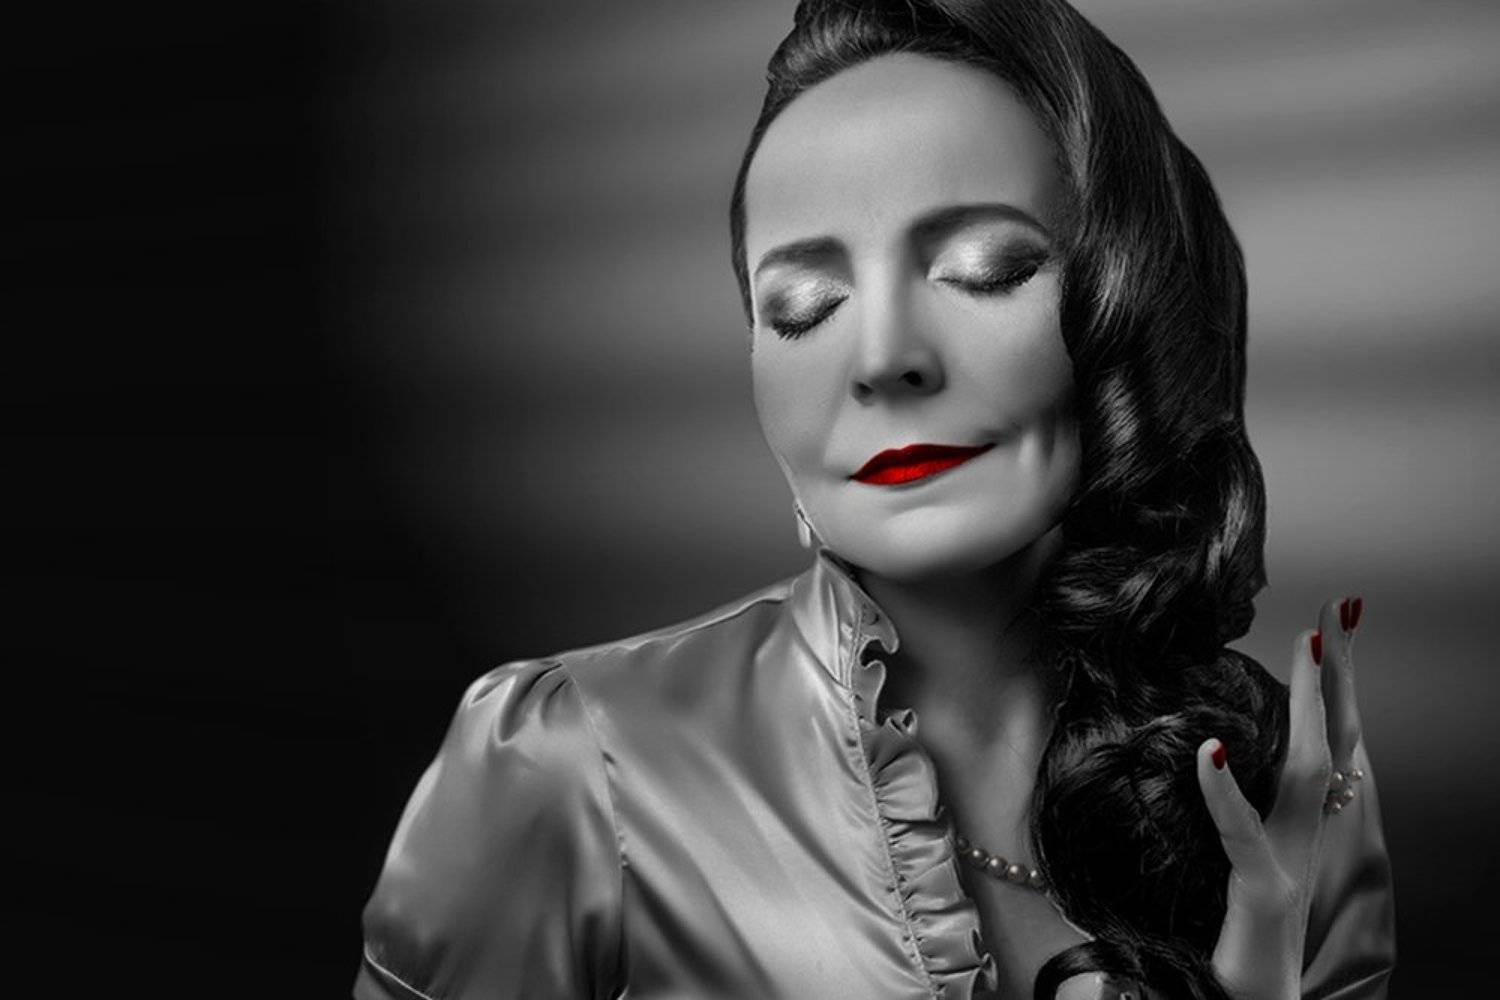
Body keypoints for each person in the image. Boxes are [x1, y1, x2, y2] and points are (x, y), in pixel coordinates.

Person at [353, 1, 1396, 997]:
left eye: (984, 269)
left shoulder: (1279, 788)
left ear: (1132, 307)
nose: (883, 356)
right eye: (803, 308)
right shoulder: (567, 764)